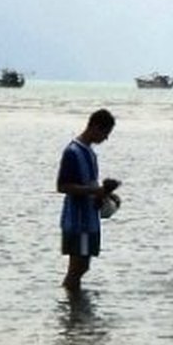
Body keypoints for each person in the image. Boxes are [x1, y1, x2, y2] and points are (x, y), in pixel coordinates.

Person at [56, 109, 120, 291]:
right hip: (78, 221)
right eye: (105, 133)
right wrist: (96, 190)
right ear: (94, 127)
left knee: (83, 266)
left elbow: (89, 185)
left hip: (89, 219)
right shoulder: (73, 152)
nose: (105, 139)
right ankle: (72, 307)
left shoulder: (90, 153)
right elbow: (63, 186)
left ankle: (74, 307)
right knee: (77, 267)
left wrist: (106, 193)